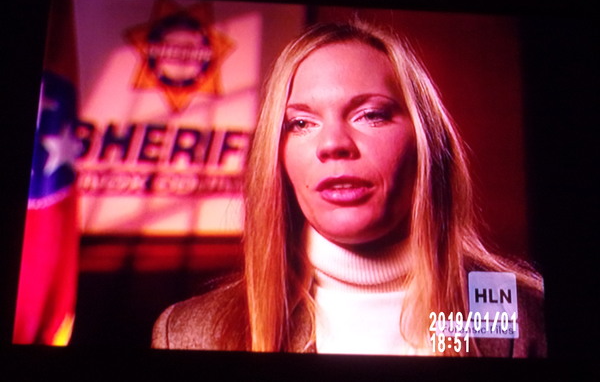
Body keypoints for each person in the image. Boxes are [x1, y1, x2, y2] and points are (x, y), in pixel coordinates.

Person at [152, 20, 546, 357]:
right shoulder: (187, 334)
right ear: (277, 154)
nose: (333, 144)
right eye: (301, 123)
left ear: (425, 141)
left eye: (370, 115)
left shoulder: (525, 314)